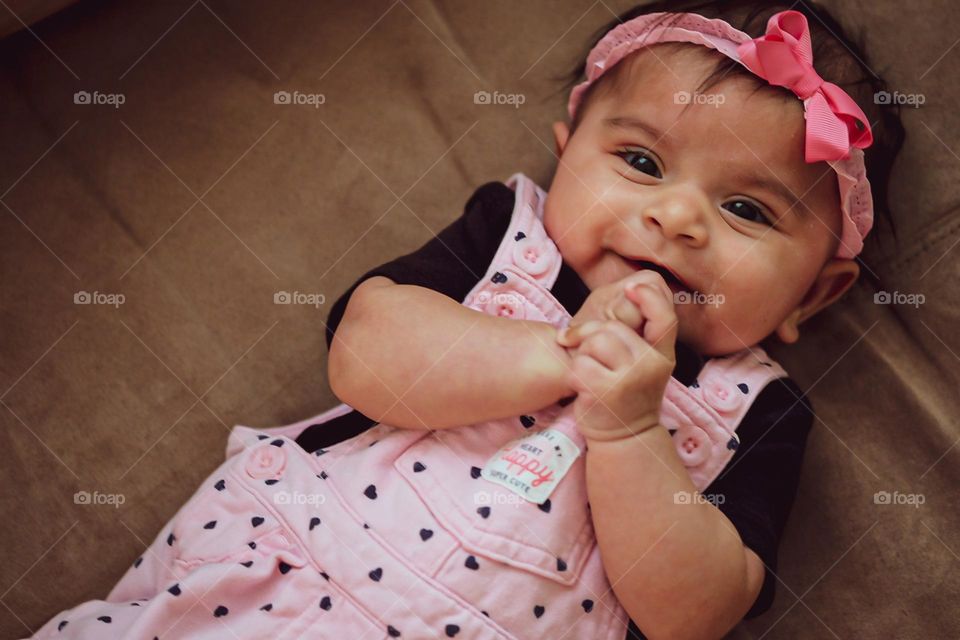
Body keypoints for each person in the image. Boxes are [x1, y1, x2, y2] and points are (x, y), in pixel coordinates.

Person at [31, 1, 904, 639]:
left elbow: (697, 613)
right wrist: (565, 356)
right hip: (286, 580)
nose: (678, 219)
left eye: (749, 211)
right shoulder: (507, 239)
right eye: (640, 162)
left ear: (814, 295)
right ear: (564, 157)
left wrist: (632, 428)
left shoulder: (759, 409)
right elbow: (364, 353)